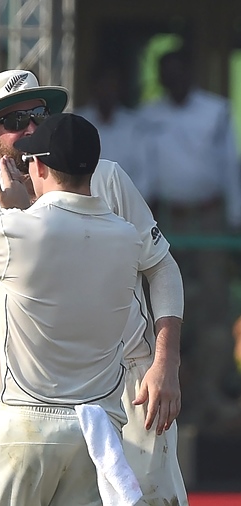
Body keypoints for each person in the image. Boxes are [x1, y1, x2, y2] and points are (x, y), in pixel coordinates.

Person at [0, 69, 187, 504]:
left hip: (131, 386)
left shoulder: (103, 176)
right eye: (15, 122)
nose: (31, 128)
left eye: (39, 115)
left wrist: (166, 364)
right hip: (49, 407)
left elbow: (163, 268)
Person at [140, 48, 241, 426]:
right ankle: (173, 391)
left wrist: (235, 217)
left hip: (210, 217)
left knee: (214, 306)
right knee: (167, 307)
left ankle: (212, 396)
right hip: (169, 219)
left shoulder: (214, 110)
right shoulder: (150, 115)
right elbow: (147, 169)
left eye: (180, 71)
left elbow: (229, 165)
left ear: (191, 73)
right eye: (167, 73)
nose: (174, 80)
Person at [76, 64, 151, 201]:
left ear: (120, 89)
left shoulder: (134, 126)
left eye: (111, 85)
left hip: (126, 207)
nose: (107, 91)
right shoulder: (78, 122)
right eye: (102, 85)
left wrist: (133, 207)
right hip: (87, 206)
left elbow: (143, 173)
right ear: (92, 87)